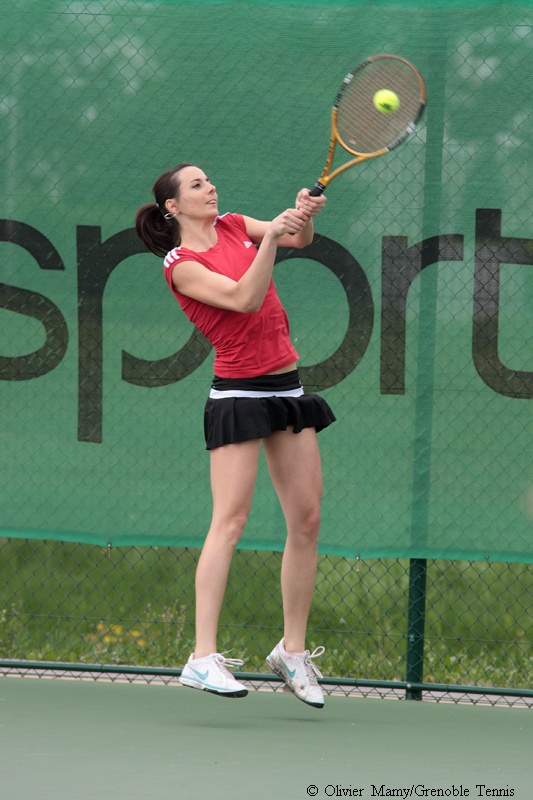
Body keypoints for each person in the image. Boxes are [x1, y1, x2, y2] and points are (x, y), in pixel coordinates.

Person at [135, 162, 335, 708]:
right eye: (196, 184)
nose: (210, 187)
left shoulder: (230, 224)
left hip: (287, 386)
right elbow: (246, 298)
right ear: (172, 205)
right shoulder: (181, 265)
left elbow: (296, 237)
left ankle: (292, 652)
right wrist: (272, 232)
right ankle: (202, 657)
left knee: (308, 519)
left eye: (209, 180)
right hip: (239, 394)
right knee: (230, 520)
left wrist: (300, 216)